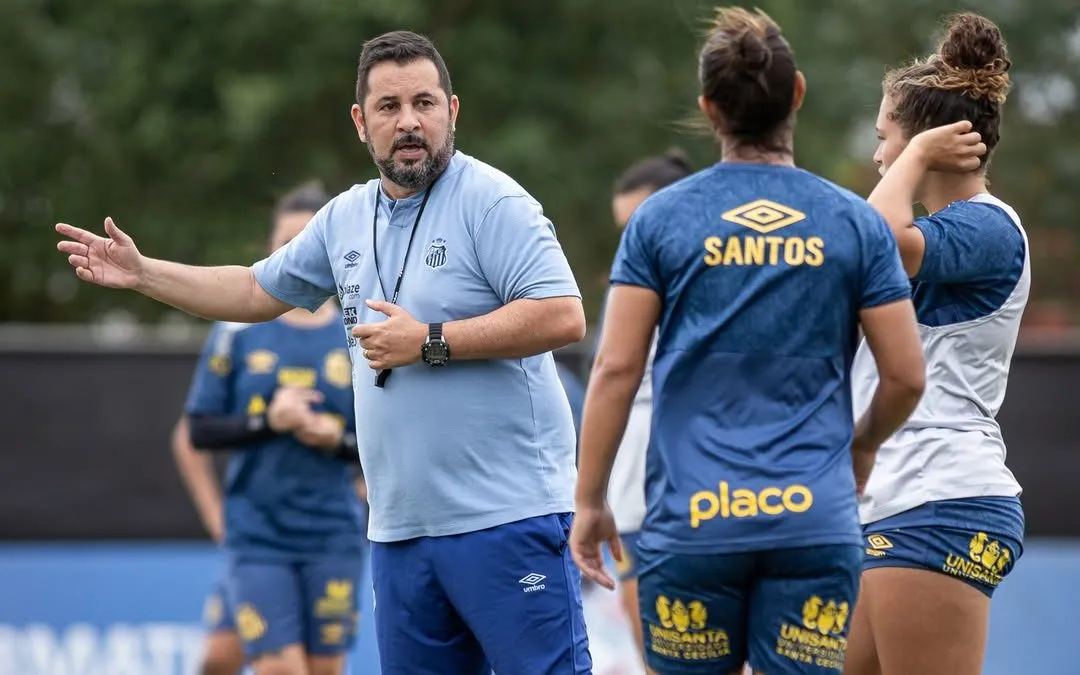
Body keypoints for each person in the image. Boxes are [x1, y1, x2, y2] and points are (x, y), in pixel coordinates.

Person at [55, 30, 589, 675]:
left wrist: (431, 342)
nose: (409, 121)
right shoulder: (343, 218)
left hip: (507, 520)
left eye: (424, 102)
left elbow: (563, 314)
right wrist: (145, 275)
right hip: (401, 534)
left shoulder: (494, 201)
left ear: (453, 110)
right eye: (389, 107)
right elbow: (254, 289)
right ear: (362, 124)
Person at [569, 7, 927, 675]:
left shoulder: (658, 221)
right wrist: (862, 444)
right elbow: (906, 376)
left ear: (709, 109)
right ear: (797, 94)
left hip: (693, 523)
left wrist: (590, 502)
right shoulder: (855, 223)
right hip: (812, 523)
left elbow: (615, 368)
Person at [843, 13, 1028, 675]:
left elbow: (873, 239)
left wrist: (916, 153)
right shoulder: (941, 234)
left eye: (884, 138)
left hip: (939, 500)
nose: (879, 156)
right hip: (893, 500)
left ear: (932, 140)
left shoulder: (988, 229)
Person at [172, 181, 369, 675]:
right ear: (268, 249)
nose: (294, 253)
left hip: (332, 533)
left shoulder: (359, 326)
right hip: (258, 535)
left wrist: (336, 440)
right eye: (284, 242)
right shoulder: (237, 329)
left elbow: (385, 441)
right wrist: (269, 421)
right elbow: (196, 431)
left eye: (307, 241)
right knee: (261, 665)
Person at [602, 150, 695, 661]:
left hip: (706, 478)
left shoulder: (725, 276)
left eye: (642, 223)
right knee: (652, 653)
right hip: (634, 483)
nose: (633, 241)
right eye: (625, 230)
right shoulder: (631, 283)